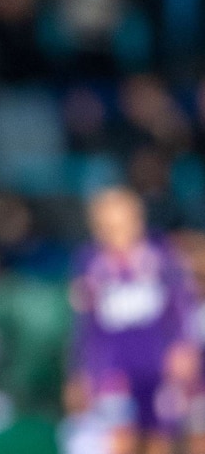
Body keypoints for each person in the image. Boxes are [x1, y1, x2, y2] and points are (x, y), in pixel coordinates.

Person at [63, 186, 201, 454]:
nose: (116, 234)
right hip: (113, 367)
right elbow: (84, 324)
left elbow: (180, 307)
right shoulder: (90, 262)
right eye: (107, 226)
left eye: (123, 223)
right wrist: (78, 372)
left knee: (160, 437)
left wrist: (184, 346)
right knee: (120, 436)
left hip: (157, 364)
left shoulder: (161, 256)